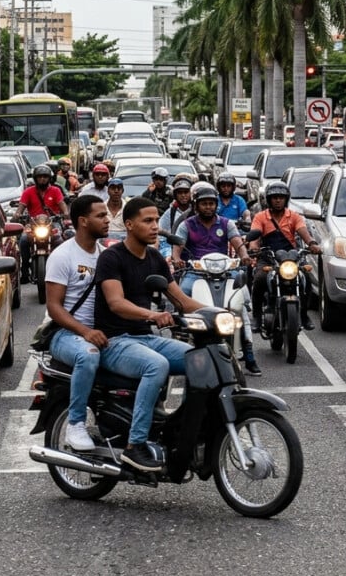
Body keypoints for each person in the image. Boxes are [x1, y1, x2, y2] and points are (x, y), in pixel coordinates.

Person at [94, 197, 204, 471]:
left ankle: (187, 430)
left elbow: (183, 301)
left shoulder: (154, 257)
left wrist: (222, 313)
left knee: (200, 358)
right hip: (115, 341)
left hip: (144, 338)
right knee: (157, 365)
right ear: (129, 225)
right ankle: (135, 445)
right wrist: (152, 315)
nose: (156, 226)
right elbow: (116, 303)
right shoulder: (112, 258)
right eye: (148, 221)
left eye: (157, 220)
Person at [44, 195, 110, 451]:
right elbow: (54, 307)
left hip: (100, 332)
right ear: (83, 221)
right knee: (88, 355)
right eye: (101, 216)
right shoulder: (63, 255)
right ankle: (76, 424)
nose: (107, 221)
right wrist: (85, 332)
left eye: (107, 215)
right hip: (66, 335)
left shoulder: (105, 255)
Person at [171, 182, 258, 375]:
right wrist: (177, 260)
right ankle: (182, 335)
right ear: (196, 205)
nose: (208, 207)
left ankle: (249, 353)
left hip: (226, 270)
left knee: (241, 301)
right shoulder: (187, 225)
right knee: (181, 293)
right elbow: (177, 247)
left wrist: (243, 255)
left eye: (211, 203)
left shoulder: (227, 223)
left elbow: (237, 243)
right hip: (197, 271)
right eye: (204, 203)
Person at [249, 181, 322, 331]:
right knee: (259, 279)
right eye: (274, 197)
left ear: (286, 199)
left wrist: (312, 244)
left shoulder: (294, 216)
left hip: (291, 257)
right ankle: (256, 316)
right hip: (268, 256)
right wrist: (254, 248)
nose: (277, 200)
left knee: (306, 279)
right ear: (268, 200)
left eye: (281, 197)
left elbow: (304, 233)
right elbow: (255, 238)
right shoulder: (260, 217)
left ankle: (303, 315)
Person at [16, 165, 68, 283]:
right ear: (35, 178)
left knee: (60, 240)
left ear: (49, 178)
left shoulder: (55, 190)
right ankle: (24, 271)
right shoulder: (28, 192)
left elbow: (62, 205)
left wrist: (65, 213)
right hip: (33, 224)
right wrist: (18, 214)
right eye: (40, 177)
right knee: (24, 240)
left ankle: (62, 270)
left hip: (53, 223)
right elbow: (20, 208)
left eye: (45, 177)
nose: (43, 179)